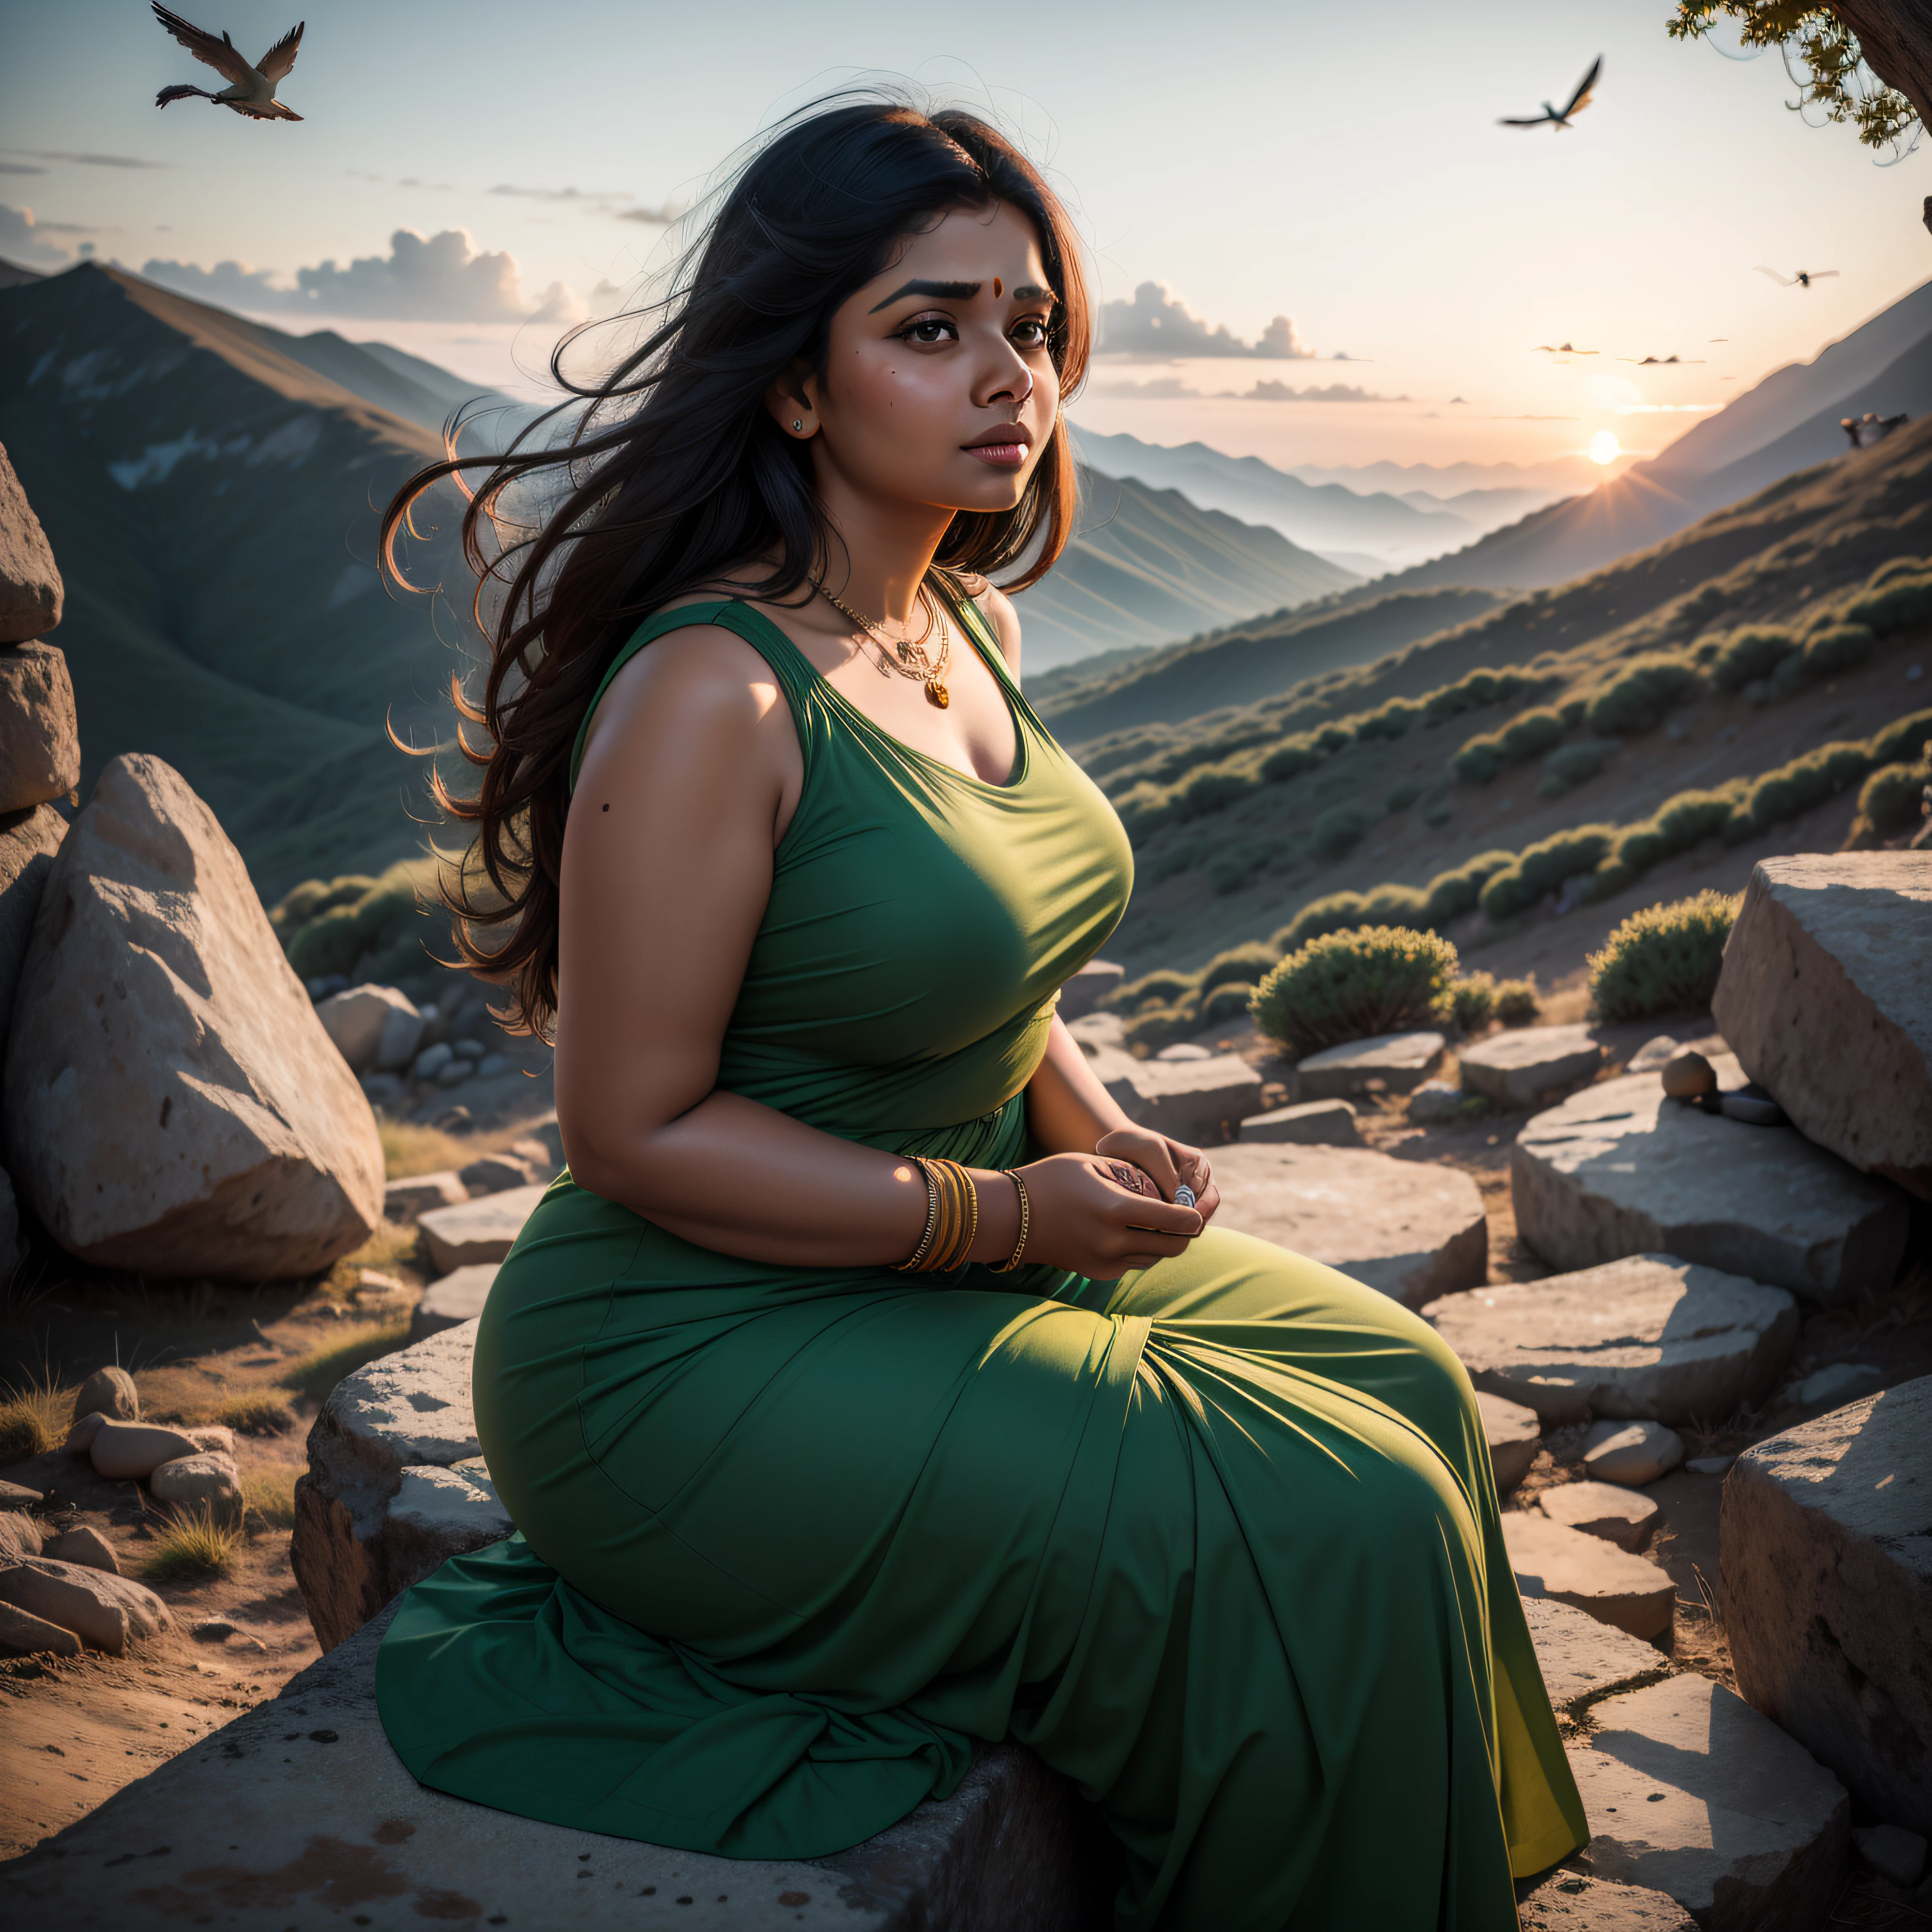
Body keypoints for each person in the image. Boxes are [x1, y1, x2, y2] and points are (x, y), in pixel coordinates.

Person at [373, 94, 1587, 1930]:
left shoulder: (970, 626)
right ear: (794, 385)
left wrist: (1088, 1125)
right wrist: (1013, 1215)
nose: (1006, 373)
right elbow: (626, 1130)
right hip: (690, 1346)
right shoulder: (718, 691)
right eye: (928, 327)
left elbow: (979, 970)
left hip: (937, 1245)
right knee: (1333, 1508)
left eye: (1028, 326)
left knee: (1401, 1382)